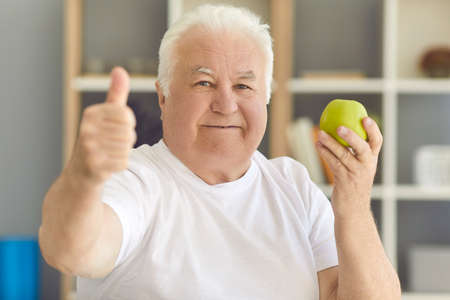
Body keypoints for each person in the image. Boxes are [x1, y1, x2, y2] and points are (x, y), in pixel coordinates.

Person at [39, 4, 401, 300]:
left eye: (244, 85)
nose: (226, 104)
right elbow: (70, 251)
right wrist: (83, 177)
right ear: (163, 96)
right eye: (204, 82)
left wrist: (353, 204)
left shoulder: (294, 185)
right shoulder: (135, 180)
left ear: (266, 98)